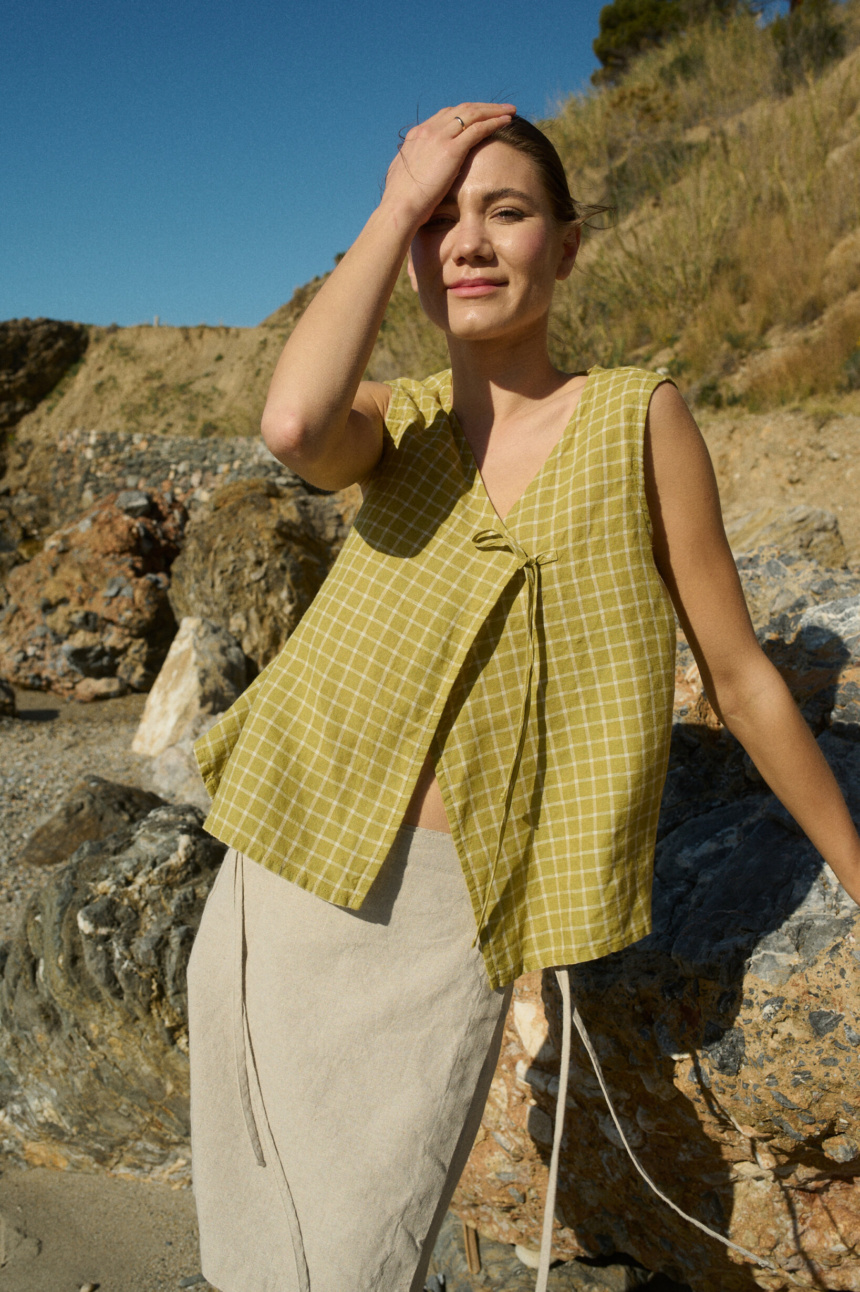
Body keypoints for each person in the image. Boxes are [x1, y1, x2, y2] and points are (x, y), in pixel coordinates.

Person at [186, 103, 860, 1292]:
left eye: (505, 211)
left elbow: (739, 674)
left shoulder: (633, 414)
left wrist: (856, 869)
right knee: (256, 1243)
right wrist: (396, 199)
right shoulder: (391, 426)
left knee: (357, 1251)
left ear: (567, 242)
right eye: (441, 220)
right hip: (287, 859)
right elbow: (290, 421)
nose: (469, 239)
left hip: (449, 905)